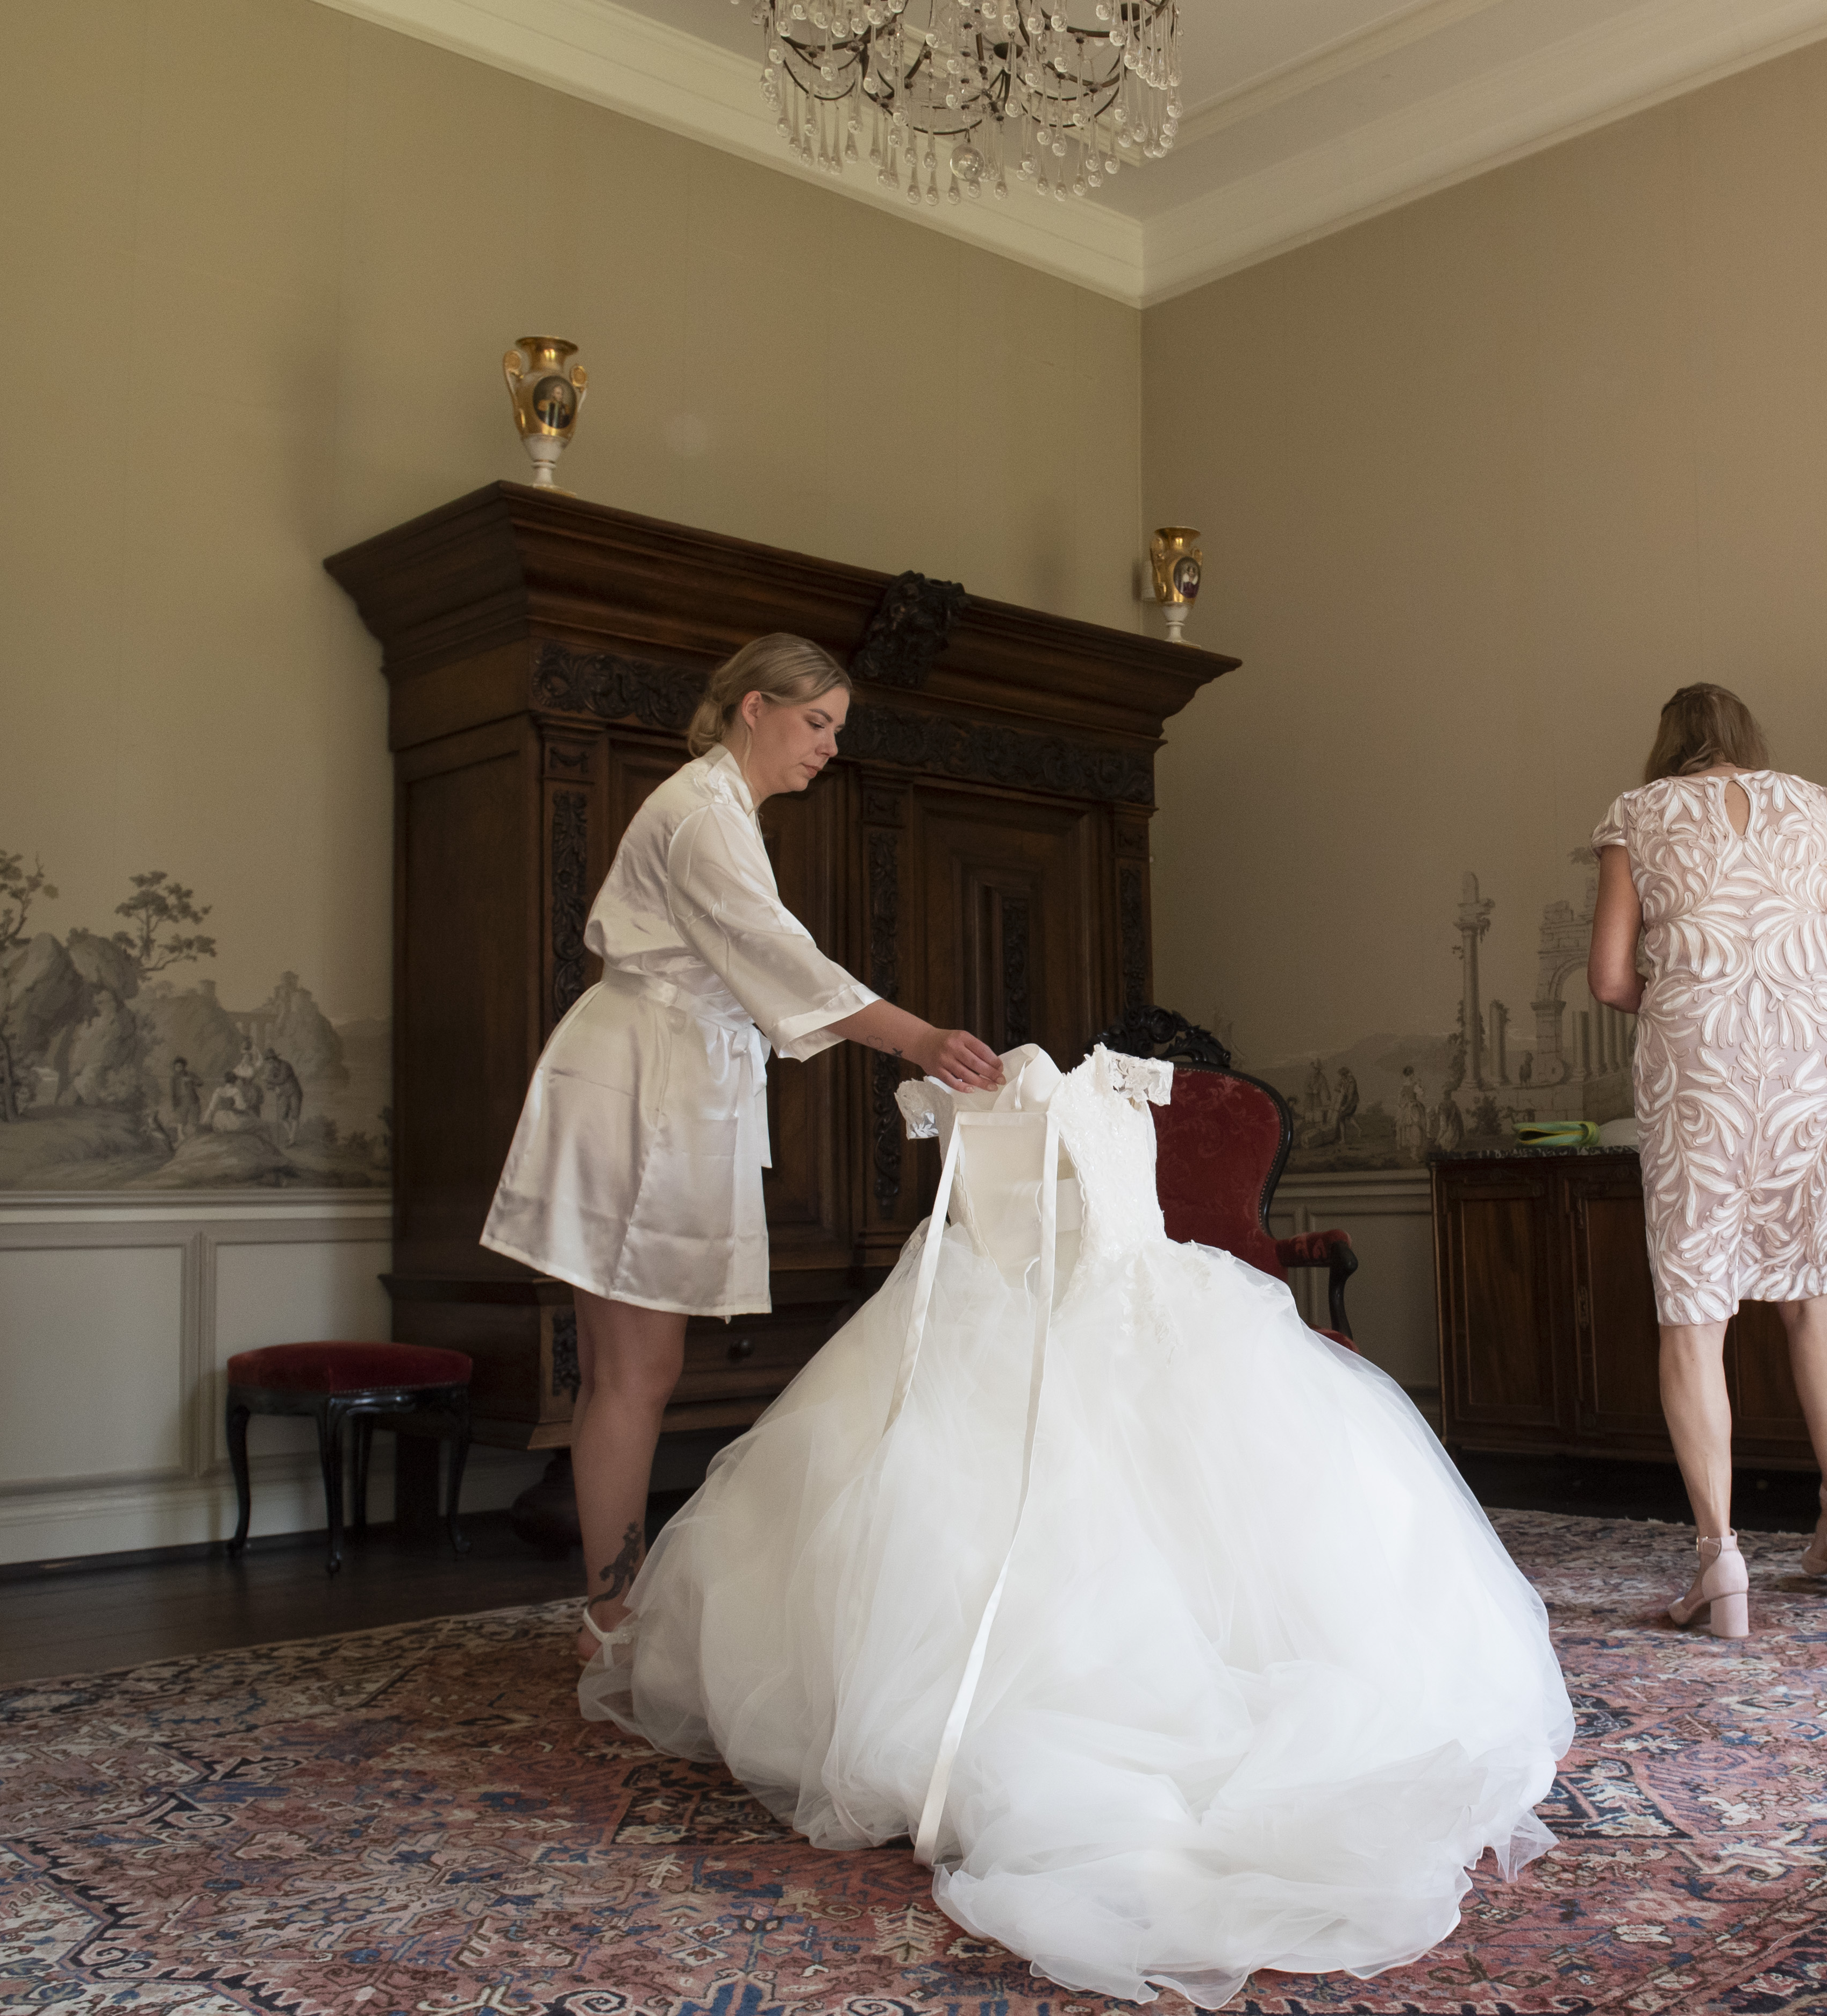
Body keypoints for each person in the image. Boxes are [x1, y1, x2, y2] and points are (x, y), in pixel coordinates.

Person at [582, 1043, 1572, 2008]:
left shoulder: (1121, 1084)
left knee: (1215, 1525)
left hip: (1134, 1312)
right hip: (982, 1320)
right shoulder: (946, 1097)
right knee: (920, 1510)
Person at [480, 633, 1002, 1658]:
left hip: (668, 1078)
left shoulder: (722, 811)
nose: (829, 746)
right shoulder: (700, 815)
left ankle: (611, 1613)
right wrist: (920, 1039)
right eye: (816, 722)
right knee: (633, 1367)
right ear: (753, 706)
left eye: (837, 729)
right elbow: (781, 959)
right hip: (644, 1087)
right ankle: (611, 1620)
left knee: (633, 1366)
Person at [1589, 682, 1827, 1634]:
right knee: (1809, 1282)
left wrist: (1696, 995)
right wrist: (1803, 982)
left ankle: (1719, 1557)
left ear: (1668, 743)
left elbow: (1609, 976)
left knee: (1693, 1307)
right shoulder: (1814, 803)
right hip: (1810, 1054)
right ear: (1744, 739)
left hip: (1699, 1058)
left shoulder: (1636, 814)